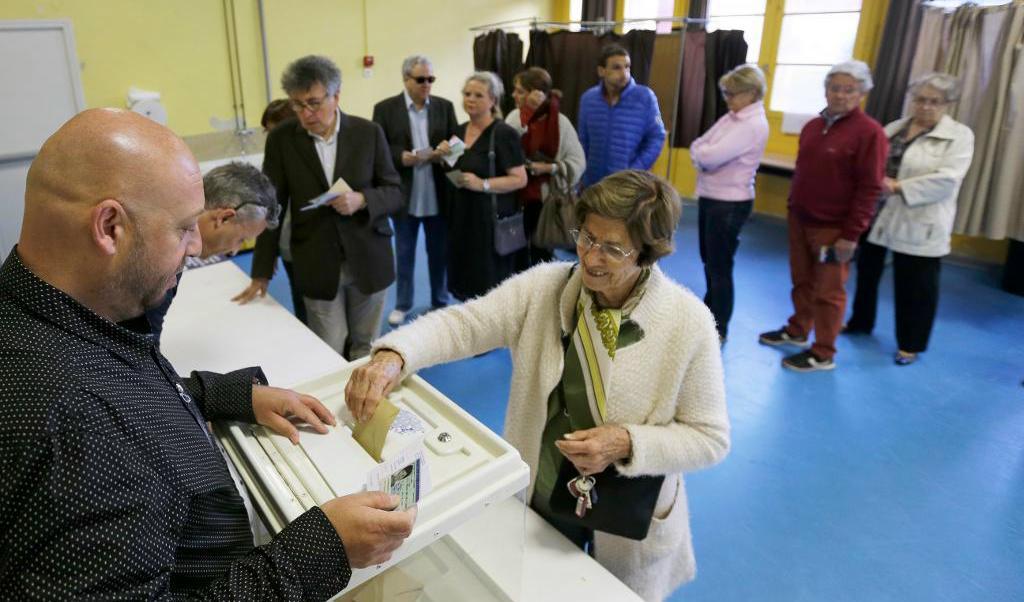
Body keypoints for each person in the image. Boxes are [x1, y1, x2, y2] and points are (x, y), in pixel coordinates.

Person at [0, 108, 416, 598]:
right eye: (182, 228)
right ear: (110, 227)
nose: (198, 244)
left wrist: (226, 395)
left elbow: (134, 389)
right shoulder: (71, 429)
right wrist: (320, 550)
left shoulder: (63, 313)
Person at [346, 170, 730, 602]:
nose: (590, 257)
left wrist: (626, 442)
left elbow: (710, 438)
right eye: (586, 237)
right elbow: (466, 324)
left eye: (613, 248)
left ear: (648, 253)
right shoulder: (546, 287)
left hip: (626, 520)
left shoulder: (688, 323)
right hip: (542, 496)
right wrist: (394, 355)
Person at [236, 55, 403, 360]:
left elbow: (394, 191)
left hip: (369, 255)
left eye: (313, 102)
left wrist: (363, 199)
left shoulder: (368, 133)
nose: (306, 113)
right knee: (329, 346)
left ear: (336, 95)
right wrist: (261, 270)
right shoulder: (282, 140)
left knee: (366, 345)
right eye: (298, 105)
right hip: (316, 258)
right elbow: (271, 205)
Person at [759, 60, 888, 372]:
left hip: (835, 229)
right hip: (801, 219)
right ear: (826, 90)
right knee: (801, 280)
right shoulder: (813, 127)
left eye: (849, 90)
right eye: (835, 88)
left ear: (861, 94)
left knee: (829, 292)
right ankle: (798, 330)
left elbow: (870, 188)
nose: (841, 95)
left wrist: (851, 235)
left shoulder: (870, 133)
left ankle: (823, 352)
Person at [845, 73, 975, 365]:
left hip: (921, 217)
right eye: (920, 100)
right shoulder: (894, 128)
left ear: (948, 104)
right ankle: (860, 323)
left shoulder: (960, 136)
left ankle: (911, 344)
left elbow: (947, 179)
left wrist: (897, 187)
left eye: (934, 102)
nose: (925, 106)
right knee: (867, 273)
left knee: (916, 285)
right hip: (878, 213)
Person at [145, 161, 280, 341]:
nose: (234, 251)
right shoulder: (162, 256)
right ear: (224, 218)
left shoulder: (174, 229)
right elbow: (142, 340)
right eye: (241, 239)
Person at [372, 55, 458, 326]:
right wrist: (401, 158)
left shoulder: (445, 107)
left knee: (439, 252)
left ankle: (440, 300)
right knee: (405, 252)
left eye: (431, 79)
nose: (427, 84)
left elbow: (457, 142)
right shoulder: (385, 109)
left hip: (438, 192)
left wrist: (447, 149)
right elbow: (380, 149)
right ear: (406, 79)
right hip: (405, 194)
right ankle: (403, 303)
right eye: (421, 79)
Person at [689, 64, 769, 342]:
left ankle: (719, 325)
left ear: (752, 93)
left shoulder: (752, 124)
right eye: (726, 93)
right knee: (709, 261)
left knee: (720, 266)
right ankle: (710, 314)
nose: (728, 99)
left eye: (733, 94)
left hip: (730, 203)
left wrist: (702, 156)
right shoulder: (733, 117)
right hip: (712, 197)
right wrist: (702, 154)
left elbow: (708, 156)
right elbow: (698, 144)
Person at [445, 71, 527, 301]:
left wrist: (483, 184)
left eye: (478, 95)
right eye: (467, 94)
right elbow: (452, 167)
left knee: (489, 283)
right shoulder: (459, 131)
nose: (470, 99)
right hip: (461, 219)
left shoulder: (503, 134)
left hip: (489, 222)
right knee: (464, 280)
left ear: (493, 100)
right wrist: (442, 155)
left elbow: (520, 179)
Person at [505, 66, 586, 268]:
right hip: (516, 196)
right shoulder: (514, 118)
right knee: (516, 250)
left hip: (545, 199)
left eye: (520, 91)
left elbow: (578, 161)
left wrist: (549, 168)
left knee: (541, 253)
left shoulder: (559, 122)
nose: (514, 95)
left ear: (536, 93)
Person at [577, 44, 666, 189]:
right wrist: (581, 174)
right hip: (592, 184)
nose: (624, 73)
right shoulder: (588, 99)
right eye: (617, 67)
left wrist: (635, 170)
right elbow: (583, 140)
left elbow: (657, 137)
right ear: (601, 71)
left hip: (626, 185)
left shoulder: (646, 98)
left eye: (627, 67)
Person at [259, 98, 308, 325]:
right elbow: (269, 209)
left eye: (276, 131)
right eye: (269, 133)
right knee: (301, 298)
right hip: (289, 243)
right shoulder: (274, 160)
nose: (273, 139)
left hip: (316, 242)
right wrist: (271, 250)